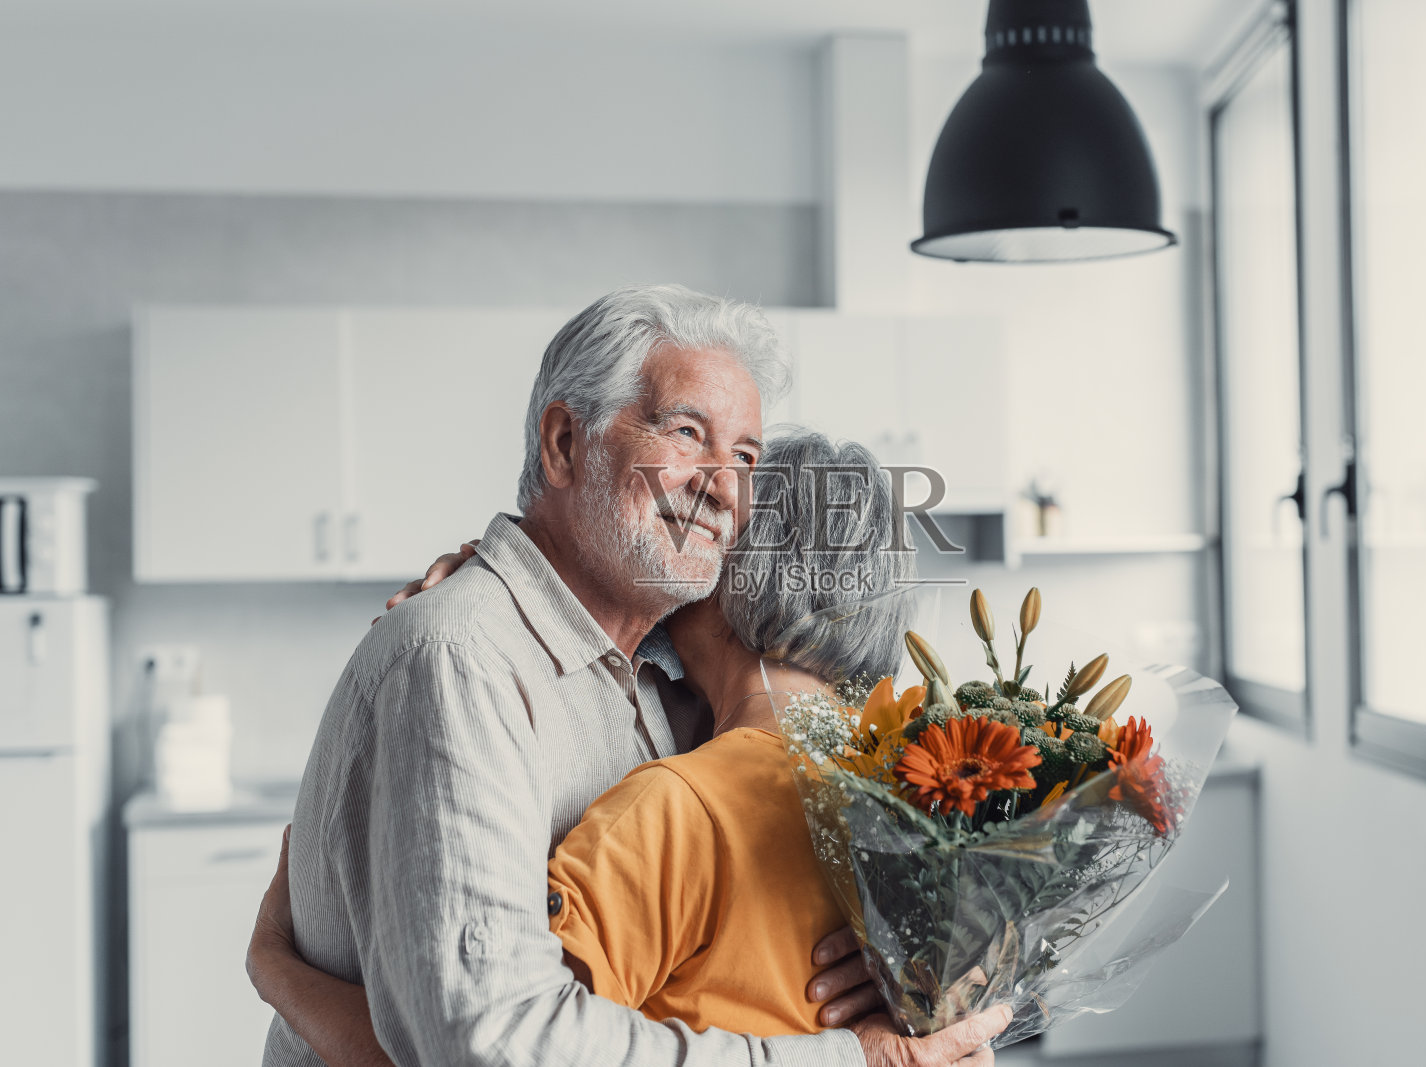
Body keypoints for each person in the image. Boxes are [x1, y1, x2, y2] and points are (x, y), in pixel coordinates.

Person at [255, 284, 1009, 1067]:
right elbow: (495, 1040)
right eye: (686, 432)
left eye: (745, 458)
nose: (725, 488)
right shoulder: (460, 657)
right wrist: (851, 1059)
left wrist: (918, 960)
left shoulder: (667, 678)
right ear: (563, 444)